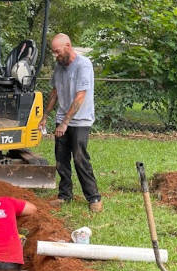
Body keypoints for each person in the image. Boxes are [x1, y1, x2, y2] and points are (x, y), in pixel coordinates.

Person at [38, 33, 103, 213]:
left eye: (57, 52)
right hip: (62, 120)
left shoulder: (83, 65)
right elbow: (54, 93)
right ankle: (64, 195)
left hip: (80, 120)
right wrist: (45, 116)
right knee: (61, 159)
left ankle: (94, 197)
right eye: (54, 53)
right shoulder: (59, 67)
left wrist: (66, 123)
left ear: (68, 46)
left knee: (80, 158)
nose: (56, 56)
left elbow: (80, 95)